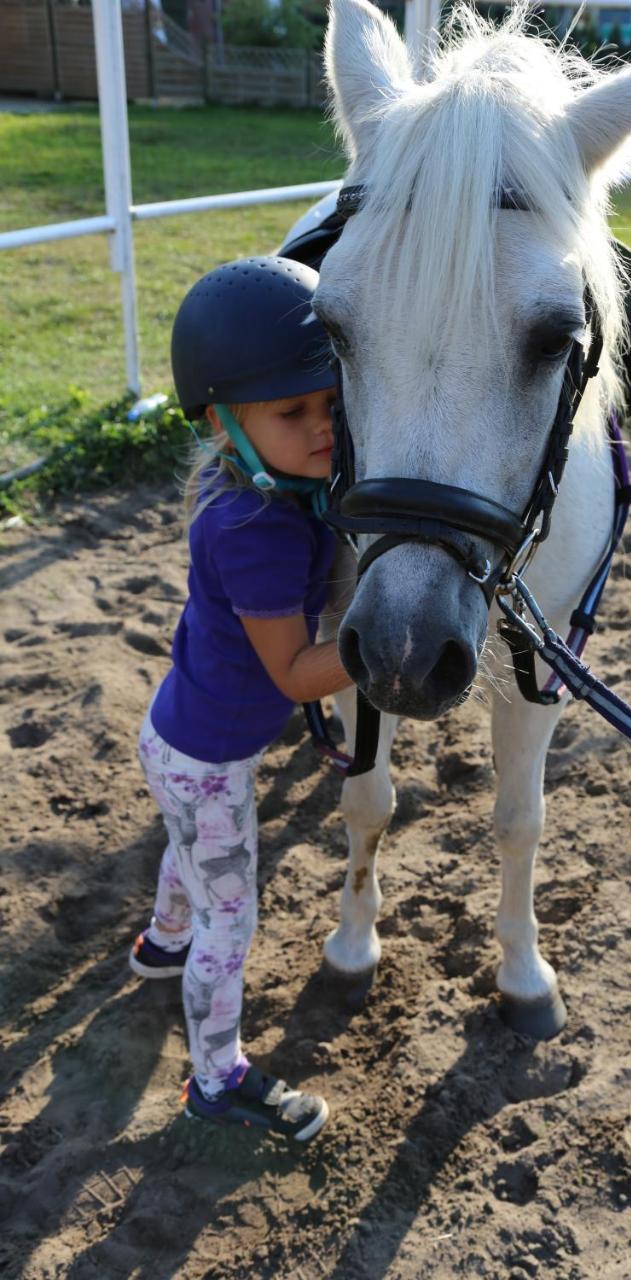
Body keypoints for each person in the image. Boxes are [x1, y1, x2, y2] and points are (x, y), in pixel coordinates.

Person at [129, 255, 351, 1142]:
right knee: (234, 916)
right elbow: (298, 674)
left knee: (189, 851)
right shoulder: (256, 531)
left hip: (182, 739)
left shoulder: (256, 490)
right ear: (224, 422)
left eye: (330, 403)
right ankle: (217, 1080)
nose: (322, 427)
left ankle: (157, 944)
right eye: (292, 412)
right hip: (209, 762)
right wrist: (382, 647)